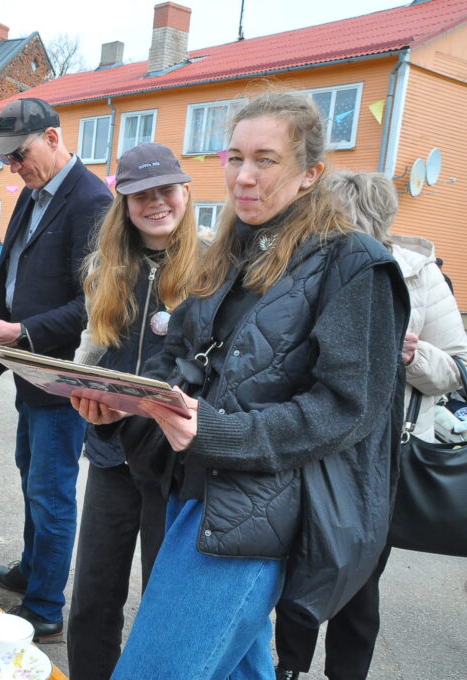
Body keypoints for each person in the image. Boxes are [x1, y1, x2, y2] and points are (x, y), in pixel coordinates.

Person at [72, 92, 408, 679]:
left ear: (310, 174)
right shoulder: (228, 251)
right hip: (191, 488)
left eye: (265, 160)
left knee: (154, 669)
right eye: (234, 157)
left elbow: (346, 410)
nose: (243, 177)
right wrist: (126, 404)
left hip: (258, 515)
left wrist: (219, 433)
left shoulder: (357, 265)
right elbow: (180, 354)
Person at [273, 171, 467, 680]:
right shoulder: (306, 263)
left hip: (378, 458)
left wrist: (412, 354)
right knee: (300, 566)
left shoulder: (419, 276)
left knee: (358, 577)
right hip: (311, 438)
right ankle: (288, 669)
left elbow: (457, 370)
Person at [0, 97, 112, 639]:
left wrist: (19, 330)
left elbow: (94, 302)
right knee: (31, 473)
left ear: (52, 137)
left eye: (19, 155)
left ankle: (45, 607)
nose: (13, 167)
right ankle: (32, 568)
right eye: (5, 159)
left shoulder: (91, 201)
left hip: (64, 372)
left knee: (51, 487)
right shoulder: (31, 194)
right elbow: (9, 274)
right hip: (30, 367)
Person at [67, 143, 200, 680]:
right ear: (122, 202)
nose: (154, 202)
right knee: (94, 597)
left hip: (173, 463)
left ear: (185, 193)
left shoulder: (216, 268)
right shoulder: (106, 265)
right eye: (139, 194)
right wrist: (81, 392)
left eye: (164, 189)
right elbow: (92, 347)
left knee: (162, 603)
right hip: (109, 454)